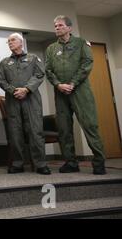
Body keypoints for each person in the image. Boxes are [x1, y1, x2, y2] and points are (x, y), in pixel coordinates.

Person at [45, 15, 106, 175]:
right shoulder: (51, 48)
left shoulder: (80, 43)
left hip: (80, 91)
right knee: (64, 129)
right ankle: (71, 162)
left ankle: (99, 162)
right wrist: (58, 84)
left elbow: (87, 63)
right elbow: (48, 70)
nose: (57, 28)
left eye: (60, 25)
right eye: (55, 26)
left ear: (69, 28)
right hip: (60, 93)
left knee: (89, 125)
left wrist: (72, 83)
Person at [0, 33, 51, 175]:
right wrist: (14, 90)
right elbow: (2, 81)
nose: (10, 42)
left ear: (21, 43)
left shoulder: (33, 58)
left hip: (31, 99)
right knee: (15, 132)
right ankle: (18, 163)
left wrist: (26, 89)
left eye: (13, 40)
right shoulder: (4, 62)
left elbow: (39, 74)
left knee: (35, 131)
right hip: (13, 100)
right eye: (8, 41)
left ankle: (40, 164)